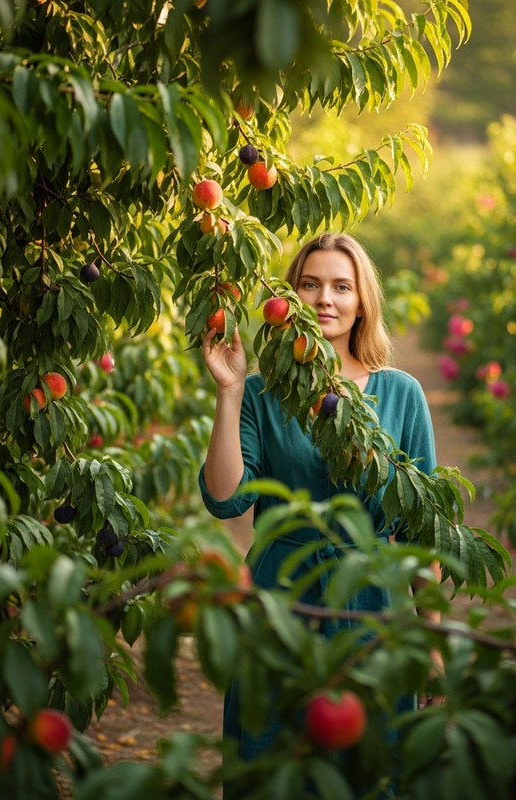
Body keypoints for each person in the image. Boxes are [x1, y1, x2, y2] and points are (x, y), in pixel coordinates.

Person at [199, 232, 439, 774]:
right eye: (309, 285)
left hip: (374, 602)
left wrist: (433, 647)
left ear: (361, 304)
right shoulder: (261, 394)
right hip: (280, 601)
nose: (324, 299)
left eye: (341, 286)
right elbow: (225, 498)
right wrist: (229, 392)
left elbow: (422, 534)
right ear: (289, 299)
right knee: (273, 761)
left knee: (369, 763)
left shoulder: (400, 394)